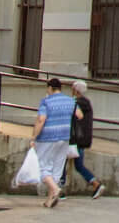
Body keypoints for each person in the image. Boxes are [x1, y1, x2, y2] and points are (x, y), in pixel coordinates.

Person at [32, 76, 74, 208]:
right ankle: (50, 200)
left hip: (47, 138)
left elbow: (41, 119)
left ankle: (55, 190)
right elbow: (79, 115)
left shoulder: (46, 101)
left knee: (42, 167)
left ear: (50, 88)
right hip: (64, 136)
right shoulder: (70, 101)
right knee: (57, 169)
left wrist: (33, 137)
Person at [69, 79, 104, 199]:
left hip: (78, 140)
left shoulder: (79, 103)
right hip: (81, 140)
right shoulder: (85, 102)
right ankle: (95, 183)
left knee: (67, 162)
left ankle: (59, 188)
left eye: (72, 88)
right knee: (78, 165)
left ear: (76, 90)